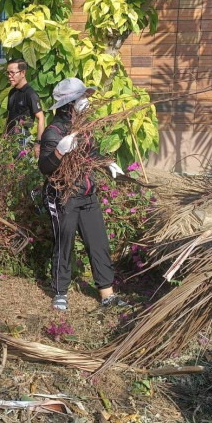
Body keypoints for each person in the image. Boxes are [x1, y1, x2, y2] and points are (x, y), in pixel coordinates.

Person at [38, 77, 125, 311]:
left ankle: (107, 294)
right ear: (69, 103)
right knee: (64, 243)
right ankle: (60, 292)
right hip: (63, 197)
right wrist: (59, 151)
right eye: (82, 97)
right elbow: (45, 167)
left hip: (87, 194)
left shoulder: (83, 128)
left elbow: (91, 153)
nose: (86, 101)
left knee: (98, 242)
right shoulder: (53, 132)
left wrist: (107, 163)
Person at [4, 59, 46, 157]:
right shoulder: (12, 93)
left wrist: (38, 143)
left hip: (23, 139)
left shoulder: (30, 94)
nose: (9, 76)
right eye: (8, 73)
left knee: (21, 165)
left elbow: (41, 117)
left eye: (12, 73)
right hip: (9, 140)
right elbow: (9, 116)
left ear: (23, 73)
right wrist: (4, 135)